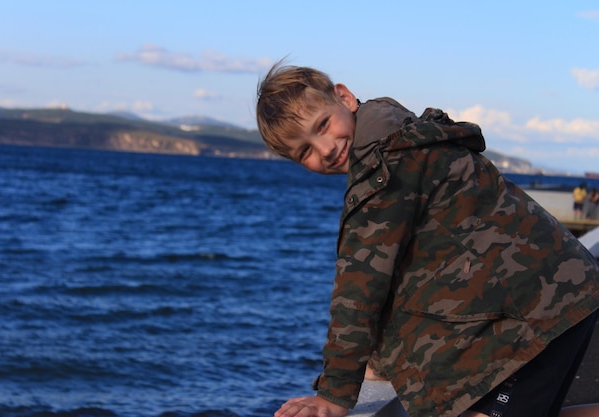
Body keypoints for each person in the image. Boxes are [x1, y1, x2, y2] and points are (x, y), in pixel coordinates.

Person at [256, 62, 599, 417]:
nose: (325, 148)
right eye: (305, 152)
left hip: (538, 310)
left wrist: (333, 395)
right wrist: (382, 358)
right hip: (557, 289)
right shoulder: (402, 135)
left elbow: (359, 292)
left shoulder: (383, 173)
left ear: (343, 96)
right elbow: (415, 270)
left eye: (322, 125)